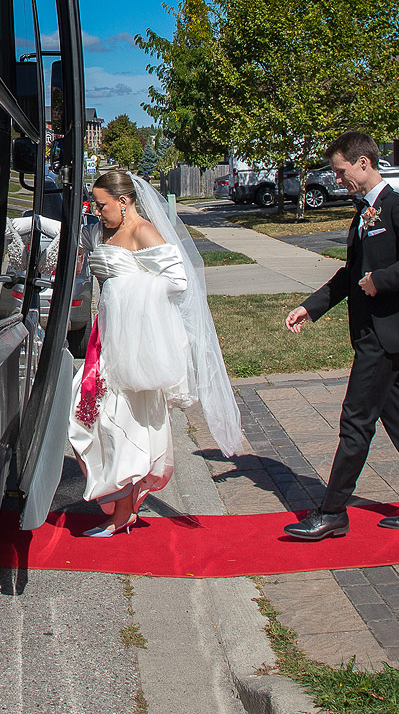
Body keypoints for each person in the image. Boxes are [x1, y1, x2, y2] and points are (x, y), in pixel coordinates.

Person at [284, 131, 399, 541]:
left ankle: (333, 511)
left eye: (341, 172)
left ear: (363, 163)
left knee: (356, 421)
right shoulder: (363, 213)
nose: (338, 180)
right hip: (373, 331)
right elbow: (350, 275)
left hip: (385, 334)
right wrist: (312, 307)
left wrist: (383, 280)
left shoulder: (396, 208)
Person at [69, 170, 244, 537]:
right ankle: (121, 500)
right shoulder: (101, 231)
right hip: (107, 335)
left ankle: (122, 510)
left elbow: (178, 281)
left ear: (124, 201)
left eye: (102, 205)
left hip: (133, 339)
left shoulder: (143, 231)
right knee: (89, 415)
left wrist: (128, 295)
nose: (97, 211)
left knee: (124, 418)